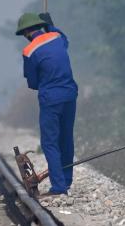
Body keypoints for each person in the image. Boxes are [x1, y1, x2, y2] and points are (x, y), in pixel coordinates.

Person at [16, 12, 78, 197]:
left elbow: (32, 83)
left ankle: (58, 188)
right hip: (70, 95)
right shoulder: (58, 38)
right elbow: (66, 40)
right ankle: (66, 180)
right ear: (41, 26)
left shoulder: (29, 51)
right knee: (66, 139)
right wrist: (51, 26)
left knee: (50, 142)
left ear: (27, 31)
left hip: (51, 99)